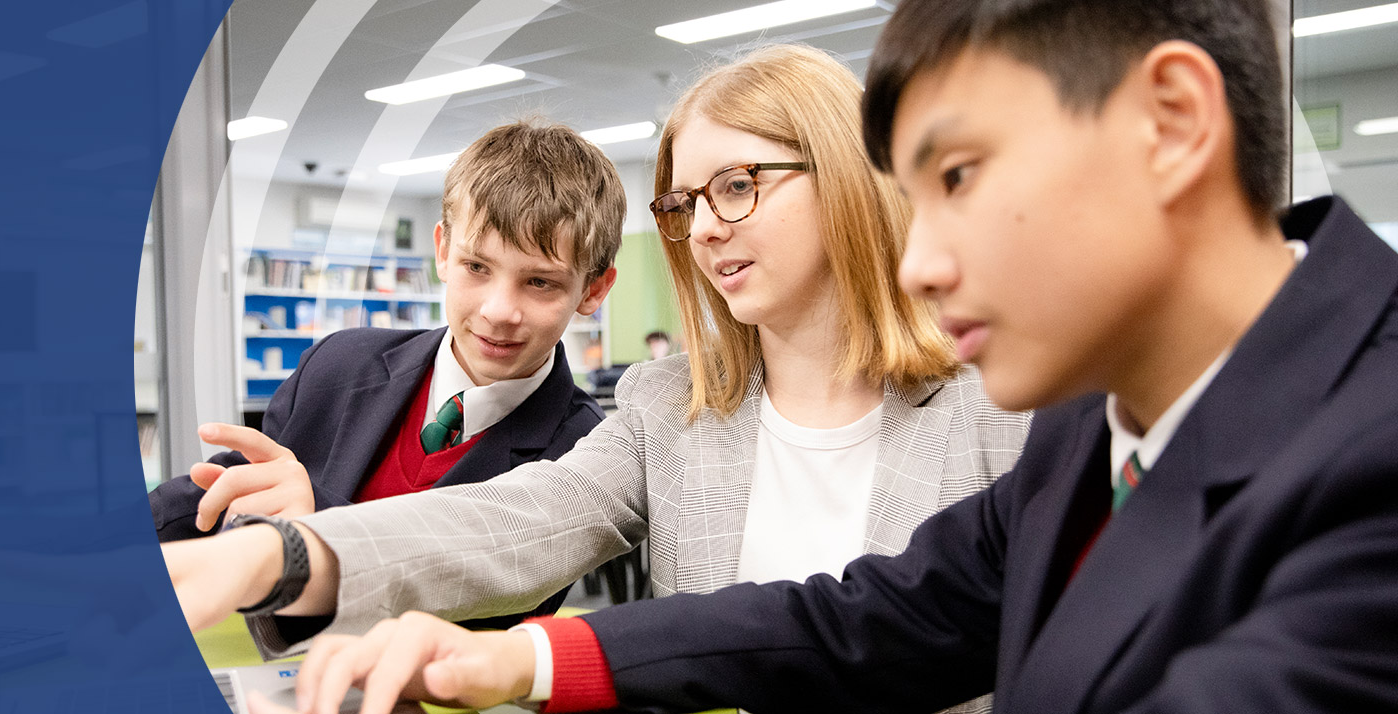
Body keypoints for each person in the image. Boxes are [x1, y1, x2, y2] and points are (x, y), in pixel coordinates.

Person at [267, 1, 1398, 713]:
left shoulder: (1370, 446)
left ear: (1170, 124)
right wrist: (526, 663)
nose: (920, 263)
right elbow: (857, 622)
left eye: (956, 178)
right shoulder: (1090, 435)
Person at [162, 43, 1029, 714]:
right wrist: (274, 558)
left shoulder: (1001, 407)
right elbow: (513, 520)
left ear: (845, 176)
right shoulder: (672, 407)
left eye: (737, 186)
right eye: (686, 204)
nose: (707, 229)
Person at [149, 120, 623, 545]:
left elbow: (474, 591)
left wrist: (313, 521)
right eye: (476, 266)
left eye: (539, 282)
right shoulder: (338, 365)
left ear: (593, 290)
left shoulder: (586, 453)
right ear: (442, 251)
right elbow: (232, 488)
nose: (499, 311)